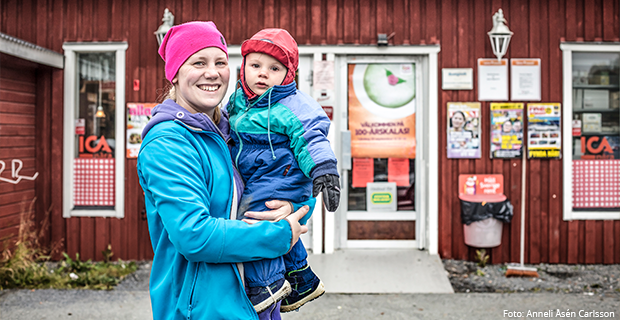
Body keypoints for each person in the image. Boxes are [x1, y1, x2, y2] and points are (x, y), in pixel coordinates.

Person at [137, 21, 310, 320]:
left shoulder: (233, 131)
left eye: (220, 61)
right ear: (175, 74)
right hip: (201, 310)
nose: (213, 72)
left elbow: (286, 174)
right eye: (198, 62)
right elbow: (195, 236)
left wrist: (293, 206)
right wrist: (279, 234)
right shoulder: (168, 143)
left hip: (253, 302)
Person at [227, 28, 340, 314]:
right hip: (259, 174)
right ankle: (301, 276)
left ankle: (267, 284)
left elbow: (311, 138)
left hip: (283, 174)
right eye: (255, 65)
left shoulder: (292, 105)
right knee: (267, 217)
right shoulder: (237, 101)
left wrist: (324, 169)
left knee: (253, 218)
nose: (263, 74)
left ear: (288, 75)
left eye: (274, 68)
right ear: (243, 68)